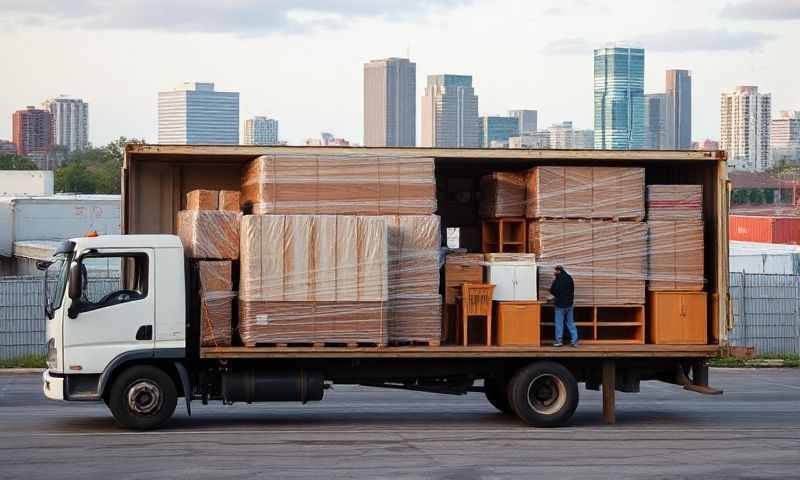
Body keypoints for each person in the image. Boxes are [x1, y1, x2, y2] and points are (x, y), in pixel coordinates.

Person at [549, 265, 578, 347]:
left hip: (560, 305)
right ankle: (574, 341)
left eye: (554, 271)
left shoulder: (558, 279)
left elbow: (552, 290)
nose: (554, 273)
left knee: (559, 323)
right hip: (569, 304)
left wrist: (554, 282)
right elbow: (572, 289)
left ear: (558, 271)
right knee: (570, 323)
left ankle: (559, 341)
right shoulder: (569, 278)